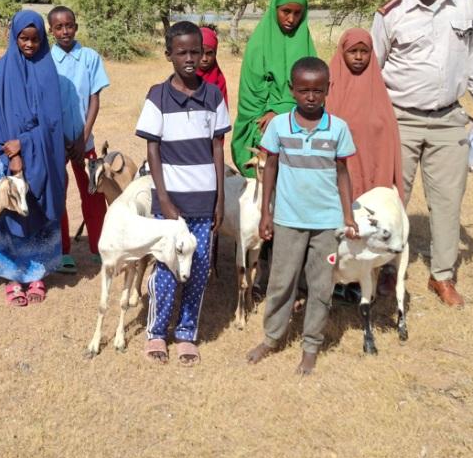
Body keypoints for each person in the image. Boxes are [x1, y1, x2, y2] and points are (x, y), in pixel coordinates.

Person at [371, 0, 473, 308]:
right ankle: (388, 268)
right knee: (393, 199)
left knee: (447, 201)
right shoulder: (391, 13)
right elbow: (372, 68)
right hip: (400, 119)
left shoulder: (465, 4)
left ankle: (441, 276)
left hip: (449, 119)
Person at [246, 57, 357, 375]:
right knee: (281, 282)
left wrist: (348, 215)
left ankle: (311, 345)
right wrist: (267, 212)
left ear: (328, 90)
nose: (311, 96)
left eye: (318, 90)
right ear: (292, 89)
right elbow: (270, 168)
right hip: (288, 219)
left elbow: (343, 173)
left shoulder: (338, 128)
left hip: (325, 222)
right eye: (304, 90)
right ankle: (272, 337)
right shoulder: (280, 125)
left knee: (321, 288)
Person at [136, 21, 229, 366]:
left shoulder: (213, 95)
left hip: (205, 200)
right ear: (169, 55)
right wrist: (162, 198)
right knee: (166, 267)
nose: (190, 59)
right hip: (171, 203)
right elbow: (152, 151)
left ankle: (187, 332)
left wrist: (220, 198)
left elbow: (218, 148)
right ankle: (157, 332)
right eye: (182, 52)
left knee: (199, 267)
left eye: (197, 52)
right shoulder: (158, 96)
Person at [0, 10, 66, 306]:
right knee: (11, 213)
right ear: (14, 37)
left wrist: (25, 144)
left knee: (39, 210)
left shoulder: (48, 71)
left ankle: (37, 275)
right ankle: (12, 277)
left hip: (41, 156)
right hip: (7, 159)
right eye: (23, 38)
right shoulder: (1, 70)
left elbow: (53, 122)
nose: (29, 45)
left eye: (35, 39)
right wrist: (9, 152)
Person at [326, 27, 406, 302]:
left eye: (365, 52)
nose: (359, 57)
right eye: (353, 51)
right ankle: (336, 278)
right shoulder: (330, 85)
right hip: (340, 172)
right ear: (342, 52)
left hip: (372, 176)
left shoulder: (378, 90)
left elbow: (389, 138)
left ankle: (363, 279)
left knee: (367, 225)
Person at [230, 0, 316, 177]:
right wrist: (269, 117)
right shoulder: (258, 44)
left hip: (301, 119)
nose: (291, 19)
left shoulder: (306, 45)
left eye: (297, 13)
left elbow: (314, 88)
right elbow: (250, 94)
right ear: (274, 8)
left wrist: (281, 111)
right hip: (261, 121)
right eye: (285, 11)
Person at [48, 5, 110, 274]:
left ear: (76, 26)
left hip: (84, 141)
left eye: (69, 25)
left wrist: (82, 137)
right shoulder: (45, 60)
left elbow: (94, 99)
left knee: (93, 192)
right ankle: (62, 251)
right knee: (57, 193)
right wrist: (63, 140)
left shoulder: (90, 57)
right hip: (55, 142)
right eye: (59, 27)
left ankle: (100, 247)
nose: (65, 31)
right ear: (50, 30)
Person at [198, 26, 229, 105]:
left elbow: (223, 112)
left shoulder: (219, 80)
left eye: (209, 53)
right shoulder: (185, 78)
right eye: (200, 53)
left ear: (215, 53)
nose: (204, 59)